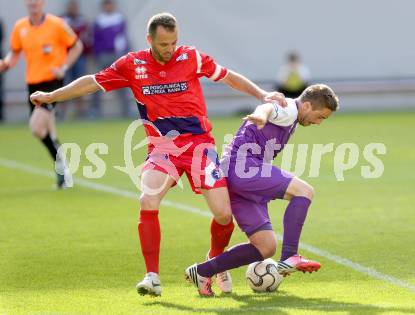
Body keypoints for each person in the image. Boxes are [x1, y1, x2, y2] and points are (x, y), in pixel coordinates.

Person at [29, 12, 287, 297]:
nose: (169, 49)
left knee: (224, 215)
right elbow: (91, 81)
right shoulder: (132, 64)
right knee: (147, 199)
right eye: (164, 44)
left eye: (173, 42)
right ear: (149, 39)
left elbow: (227, 77)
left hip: (200, 145)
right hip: (163, 149)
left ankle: (213, 264)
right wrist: (52, 96)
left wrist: (262, 95)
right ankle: (152, 276)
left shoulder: (191, 57)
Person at [185, 84, 339, 296]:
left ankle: (202, 271)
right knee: (304, 191)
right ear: (307, 105)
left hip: (235, 176)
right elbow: (267, 109)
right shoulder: (289, 110)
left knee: (265, 247)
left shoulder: (292, 115)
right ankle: (289, 257)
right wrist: (260, 114)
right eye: (320, 116)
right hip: (244, 168)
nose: (319, 122)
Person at [0, 0, 83, 188]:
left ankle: (61, 165)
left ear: (43, 2)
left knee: (37, 128)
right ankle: (63, 170)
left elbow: (77, 46)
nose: (33, 3)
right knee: (45, 131)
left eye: (36, 0)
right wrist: (5, 64)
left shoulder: (57, 24)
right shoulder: (20, 27)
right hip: (32, 85)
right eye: (30, 1)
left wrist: (64, 67)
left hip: (52, 83)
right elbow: (14, 54)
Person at [91, 0, 129, 118]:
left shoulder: (119, 19)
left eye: (110, 4)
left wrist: (125, 52)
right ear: (103, 6)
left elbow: (123, 37)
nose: (109, 7)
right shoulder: (99, 20)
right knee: (97, 81)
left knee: (122, 81)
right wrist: (97, 54)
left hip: (117, 55)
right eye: (106, 4)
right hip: (103, 55)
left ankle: (126, 110)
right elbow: (95, 40)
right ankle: (95, 110)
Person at [60, 0, 91, 120]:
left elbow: (86, 38)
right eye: (71, 7)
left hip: (80, 57)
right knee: (64, 85)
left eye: (75, 7)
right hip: (65, 57)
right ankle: (63, 113)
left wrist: (88, 53)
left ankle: (80, 112)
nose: (73, 9)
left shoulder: (82, 21)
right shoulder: (62, 21)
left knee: (80, 85)